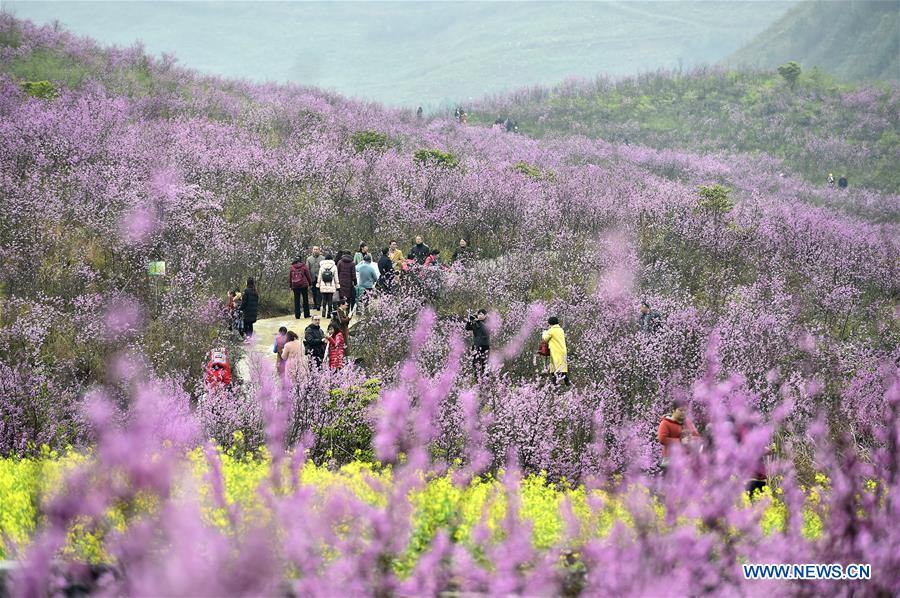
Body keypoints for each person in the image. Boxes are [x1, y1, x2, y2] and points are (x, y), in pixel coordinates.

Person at [657, 403, 700, 469]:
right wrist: (680, 441)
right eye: (680, 410)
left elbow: (697, 437)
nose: (683, 413)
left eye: (685, 411)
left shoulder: (688, 423)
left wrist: (691, 439)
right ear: (673, 410)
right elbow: (662, 439)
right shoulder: (665, 423)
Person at [541, 317, 569, 386]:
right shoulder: (561, 330)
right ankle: (562, 382)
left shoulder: (551, 330)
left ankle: (558, 382)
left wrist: (544, 332)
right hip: (562, 350)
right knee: (562, 366)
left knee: (556, 367)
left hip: (555, 351)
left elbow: (545, 338)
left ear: (550, 323)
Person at [466, 309, 490, 380]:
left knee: (485, 363)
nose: (479, 315)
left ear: (485, 315)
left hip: (485, 346)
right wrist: (469, 321)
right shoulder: (475, 322)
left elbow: (485, 330)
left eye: (481, 314)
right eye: (478, 314)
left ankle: (485, 380)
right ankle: (477, 380)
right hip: (476, 345)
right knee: (475, 363)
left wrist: (478, 321)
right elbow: (467, 328)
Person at [317, 253, 339, 319]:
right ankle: (329, 313)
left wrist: (318, 283)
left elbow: (319, 276)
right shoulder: (334, 266)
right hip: (331, 285)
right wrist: (337, 284)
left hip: (323, 285)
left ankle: (323, 310)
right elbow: (336, 277)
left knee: (324, 299)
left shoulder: (322, 266)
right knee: (330, 299)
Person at [306, 246, 324, 312]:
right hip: (312, 277)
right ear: (312, 250)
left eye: (317, 249)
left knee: (320, 291)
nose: (315, 250)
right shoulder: (309, 259)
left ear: (319, 250)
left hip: (320, 277)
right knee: (314, 292)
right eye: (314, 249)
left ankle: (319, 304)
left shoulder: (323, 258)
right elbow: (307, 269)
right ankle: (315, 304)